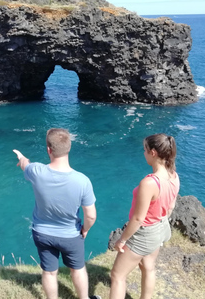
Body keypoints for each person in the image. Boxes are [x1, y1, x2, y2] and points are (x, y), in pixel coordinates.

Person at [13, 128, 100, 299]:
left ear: (48, 150)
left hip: (42, 233)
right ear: (69, 148)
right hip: (70, 235)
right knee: (77, 268)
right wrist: (85, 229)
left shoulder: (36, 171)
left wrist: (22, 158)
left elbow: (25, 165)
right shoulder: (82, 180)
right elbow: (91, 215)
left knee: (49, 272)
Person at [109, 133, 180, 299]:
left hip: (145, 234)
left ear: (153, 153)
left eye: (145, 150)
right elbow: (170, 207)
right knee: (148, 266)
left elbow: (138, 219)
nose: (144, 153)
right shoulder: (174, 175)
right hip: (161, 228)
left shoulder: (150, 183)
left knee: (117, 276)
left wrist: (122, 240)